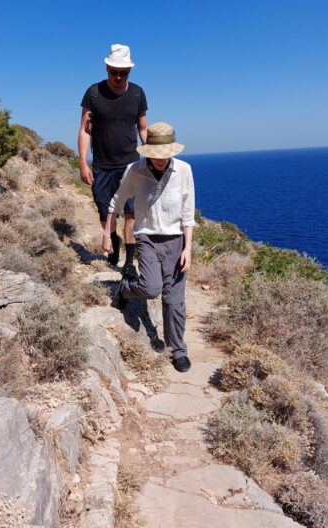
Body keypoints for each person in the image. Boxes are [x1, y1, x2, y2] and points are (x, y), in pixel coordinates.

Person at [102, 122, 195, 373]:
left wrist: (188, 248)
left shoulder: (184, 171)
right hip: (146, 238)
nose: (162, 158)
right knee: (152, 288)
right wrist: (107, 234)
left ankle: (178, 350)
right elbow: (117, 201)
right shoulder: (135, 170)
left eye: (167, 153)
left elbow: (188, 214)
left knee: (174, 300)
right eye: (157, 153)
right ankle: (126, 288)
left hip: (175, 241)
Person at [79, 44, 148, 271]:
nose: (118, 77)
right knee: (104, 211)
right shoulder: (94, 93)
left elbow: (143, 128)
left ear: (129, 71)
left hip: (130, 164)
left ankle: (128, 264)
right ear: (107, 68)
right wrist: (83, 163)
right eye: (114, 72)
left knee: (131, 214)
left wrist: (152, 156)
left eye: (123, 73)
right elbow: (84, 130)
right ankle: (113, 240)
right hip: (101, 165)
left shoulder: (137, 93)